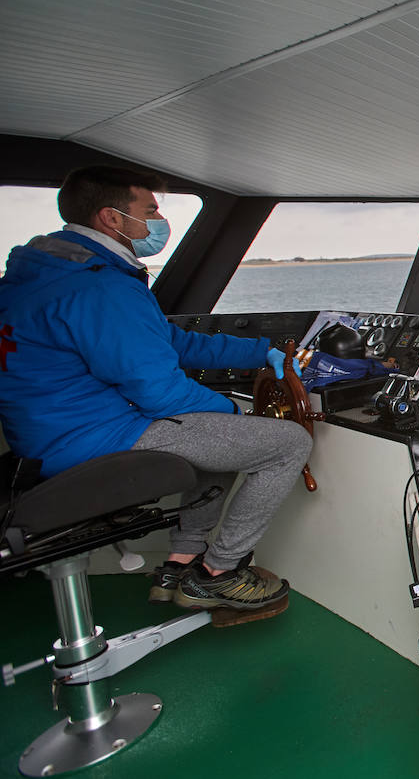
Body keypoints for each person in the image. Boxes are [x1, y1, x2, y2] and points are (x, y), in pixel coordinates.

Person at [0, 165, 312, 619]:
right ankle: (218, 574)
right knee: (287, 444)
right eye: (150, 210)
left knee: (217, 437)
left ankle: (180, 564)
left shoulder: (45, 274)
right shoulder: (100, 288)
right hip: (91, 437)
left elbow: (170, 342)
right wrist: (230, 410)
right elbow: (159, 391)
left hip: (45, 436)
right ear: (111, 218)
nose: (158, 221)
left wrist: (261, 353)